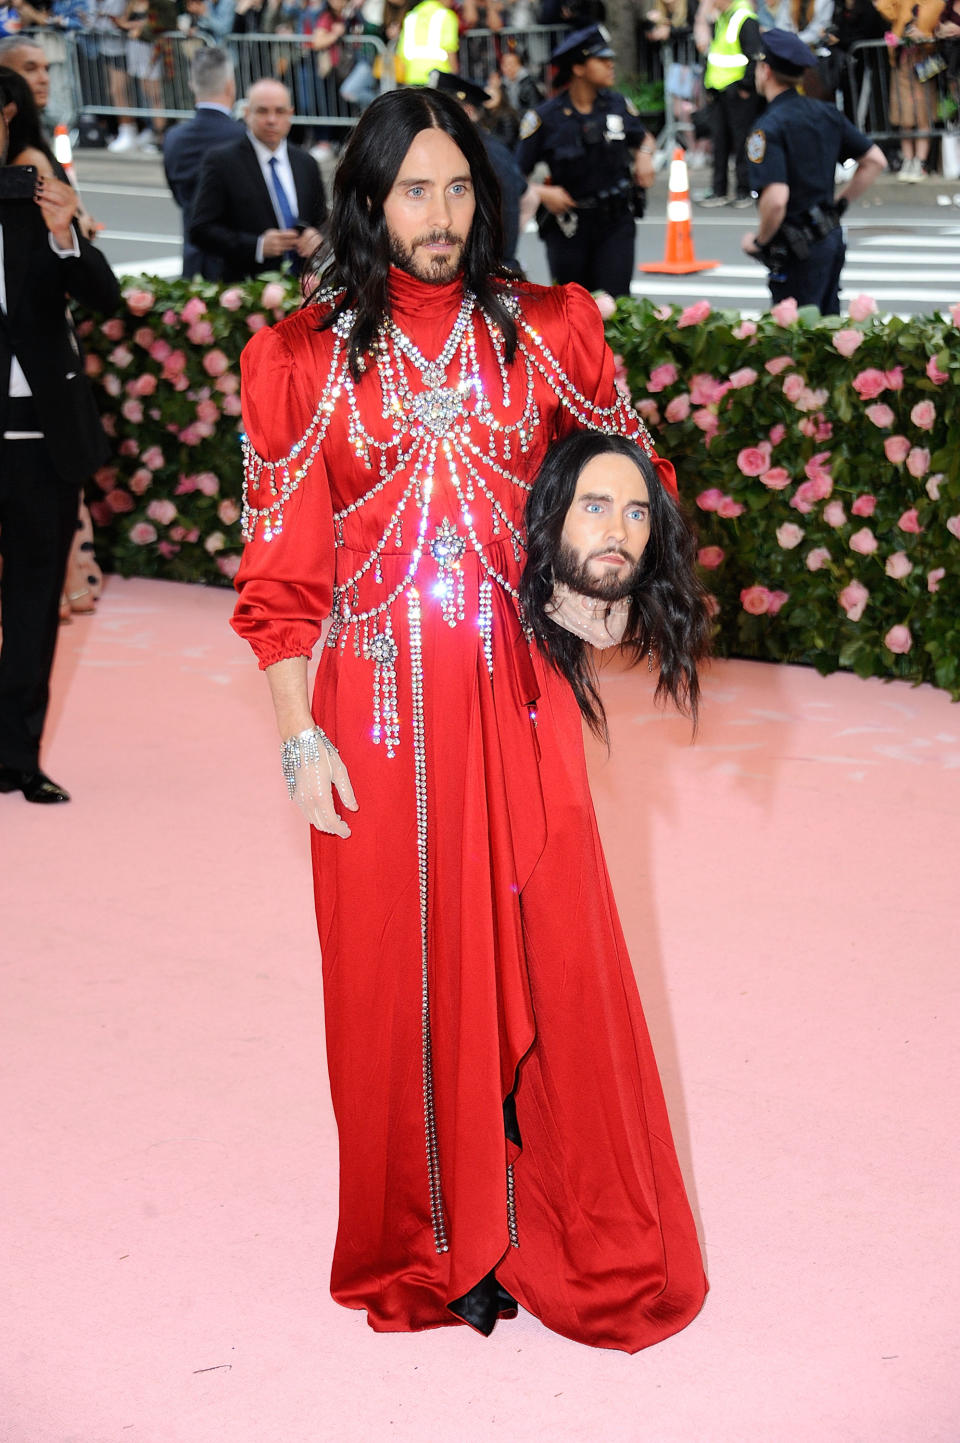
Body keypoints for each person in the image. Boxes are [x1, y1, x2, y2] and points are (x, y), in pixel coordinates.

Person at [230, 84, 709, 1351]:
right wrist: (297, 733)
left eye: (458, 189)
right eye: (412, 191)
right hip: (373, 720)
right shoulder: (297, 359)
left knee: (549, 965)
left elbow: (634, 473)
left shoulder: (548, 328)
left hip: (522, 700)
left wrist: (603, 578)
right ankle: (434, 1243)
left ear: (483, 195)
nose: (439, 217)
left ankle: (550, 1226)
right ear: (370, 202)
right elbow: (279, 582)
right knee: (397, 988)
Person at [0, 75, 120, 803]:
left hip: (43, 438)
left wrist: (65, 232)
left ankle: (20, 755)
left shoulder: (38, 194)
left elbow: (104, 297)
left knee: (36, 601)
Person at [740, 27, 886, 312]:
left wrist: (759, 241)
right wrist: (837, 205)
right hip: (829, 240)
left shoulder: (767, 128)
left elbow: (776, 199)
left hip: (795, 251)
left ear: (765, 70)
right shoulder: (826, 113)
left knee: (794, 343)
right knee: (827, 334)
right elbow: (875, 161)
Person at [515, 26, 655, 298]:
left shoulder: (616, 104)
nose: (610, 64)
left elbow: (643, 137)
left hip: (615, 222)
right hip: (569, 226)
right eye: (601, 60)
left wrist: (644, 156)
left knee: (616, 305)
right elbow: (514, 173)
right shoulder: (545, 118)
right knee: (572, 306)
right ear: (578, 68)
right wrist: (542, 192)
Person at [188, 78, 327, 282]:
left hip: (302, 285)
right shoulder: (222, 162)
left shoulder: (305, 163)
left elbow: (323, 219)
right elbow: (201, 230)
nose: (271, 119)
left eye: (279, 111)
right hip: (247, 288)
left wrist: (317, 237)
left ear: (290, 114)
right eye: (262, 111)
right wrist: (258, 246)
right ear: (246, 113)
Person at [432, 68, 535, 270]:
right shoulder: (475, 148)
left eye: (439, 111)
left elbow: (506, 216)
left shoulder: (482, 154)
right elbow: (527, 195)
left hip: (485, 274)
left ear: (467, 112)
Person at [163, 46, 243, 280]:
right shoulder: (242, 137)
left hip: (193, 257)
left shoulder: (174, 138)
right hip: (234, 260)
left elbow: (179, 195)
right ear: (230, 86)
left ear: (192, 86)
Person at [694, 0, 762, 206]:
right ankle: (719, 190)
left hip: (738, 90)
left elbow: (754, 55)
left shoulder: (744, 17)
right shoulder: (723, 17)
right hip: (719, 90)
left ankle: (744, 190)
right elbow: (716, 53)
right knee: (720, 142)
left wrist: (746, 86)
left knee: (742, 142)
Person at [396, 0, 459, 85]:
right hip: (440, 76)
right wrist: (455, 76)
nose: (453, 2)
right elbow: (450, 47)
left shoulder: (411, 16)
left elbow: (402, 50)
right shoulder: (446, 15)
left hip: (412, 76)